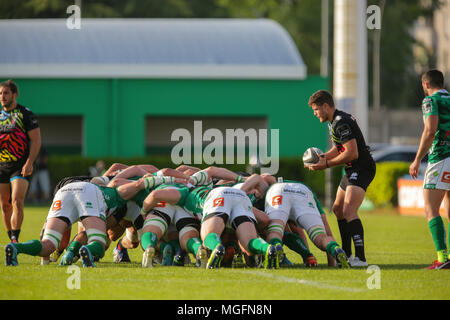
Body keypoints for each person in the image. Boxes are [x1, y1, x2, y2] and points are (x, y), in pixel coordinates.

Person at [307, 90, 376, 267]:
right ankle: (346, 254)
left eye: (316, 110)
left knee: (349, 211)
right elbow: (339, 148)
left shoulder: (340, 122)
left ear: (325, 106)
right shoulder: (333, 121)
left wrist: (326, 165)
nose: (314, 114)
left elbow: (352, 152)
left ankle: (360, 258)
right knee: (337, 209)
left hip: (362, 168)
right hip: (352, 168)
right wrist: (322, 157)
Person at [409, 69, 450, 270]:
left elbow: (430, 130)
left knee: (430, 208)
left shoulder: (430, 101)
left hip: (441, 156)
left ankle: (443, 258)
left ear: (426, 85)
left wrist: (417, 159)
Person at [0, 80, 41, 243]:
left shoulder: (25, 113)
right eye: (0, 93)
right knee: (5, 205)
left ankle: (15, 239)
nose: (2, 96)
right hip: (2, 165)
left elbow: (36, 141)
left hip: (20, 165)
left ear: (14, 94)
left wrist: (29, 162)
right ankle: (11, 239)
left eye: (6, 93)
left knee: (17, 200)